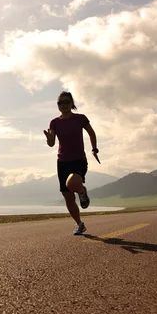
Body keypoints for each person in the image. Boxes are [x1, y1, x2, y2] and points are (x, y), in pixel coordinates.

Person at [43, 91, 99, 235]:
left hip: (78, 160)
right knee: (68, 197)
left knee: (72, 183)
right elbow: (51, 144)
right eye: (60, 103)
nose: (63, 105)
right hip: (62, 162)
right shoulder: (54, 122)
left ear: (72, 103)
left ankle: (82, 191)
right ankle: (80, 224)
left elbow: (91, 133)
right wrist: (49, 138)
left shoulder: (80, 118)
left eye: (66, 102)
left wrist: (94, 149)